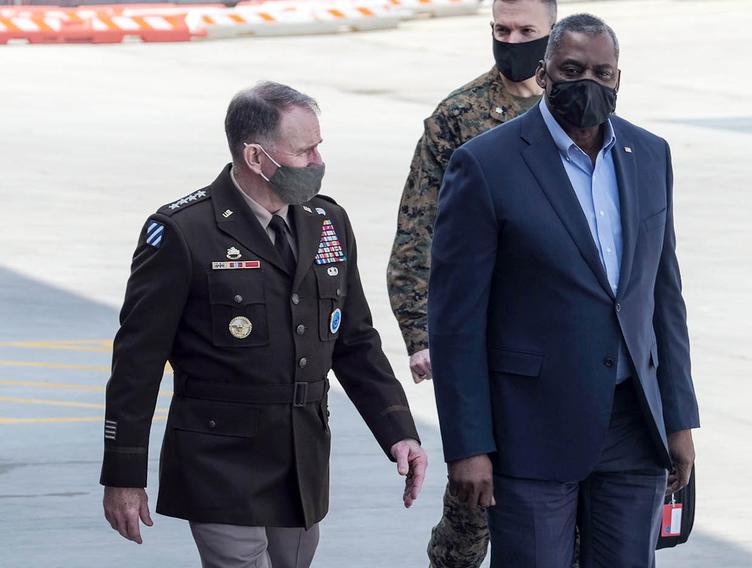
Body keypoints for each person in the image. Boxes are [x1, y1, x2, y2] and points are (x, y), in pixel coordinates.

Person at [101, 81, 427, 568]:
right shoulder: (183, 232)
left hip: (301, 457)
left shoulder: (327, 222)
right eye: (303, 150)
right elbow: (136, 364)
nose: (317, 160)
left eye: (319, 146)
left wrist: (399, 429)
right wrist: (124, 474)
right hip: (220, 459)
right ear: (255, 157)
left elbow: (355, 340)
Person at [429, 13, 699, 568]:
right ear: (546, 73)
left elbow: (663, 296)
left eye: (603, 73)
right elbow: (456, 321)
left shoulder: (650, 155)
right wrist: (468, 444)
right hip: (531, 428)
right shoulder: (485, 164)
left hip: (631, 423)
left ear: (618, 80)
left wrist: (678, 418)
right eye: (573, 69)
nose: (588, 83)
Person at [386, 0, 555, 565]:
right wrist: (419, 333)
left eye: (526, 31)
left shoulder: (578, 108)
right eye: (502, 30)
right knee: (470, 508)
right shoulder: (459, 116)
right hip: (480, 348)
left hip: (562, 346)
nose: (512, 40)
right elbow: (416, 233)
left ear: (553, 34)